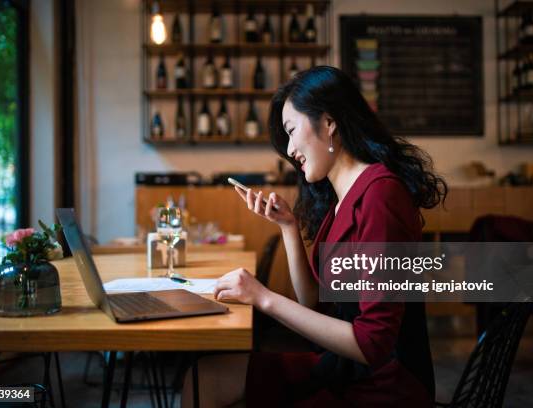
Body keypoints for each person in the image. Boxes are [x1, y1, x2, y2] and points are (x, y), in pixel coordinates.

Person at [182, 66, 447, 407]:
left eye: (292, 131)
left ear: (329, 123)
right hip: (344, 368)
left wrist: (264, 298)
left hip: (384, 385)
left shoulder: (381, 195)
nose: (290, 149)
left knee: (212, 382)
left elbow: (373, 343)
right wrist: (289, 227)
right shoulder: (343, 199)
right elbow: (314, 304)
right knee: (203, 378)